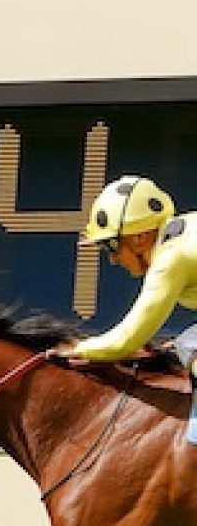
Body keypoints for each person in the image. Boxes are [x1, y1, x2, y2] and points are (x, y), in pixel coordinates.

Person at [62, 175, 197, 440]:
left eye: (112, 245)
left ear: (139, 237)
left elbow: (127, 339)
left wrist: (76, 349)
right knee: (187, 343)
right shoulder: (186, 231)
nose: (112, 259)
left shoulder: (171, 258)